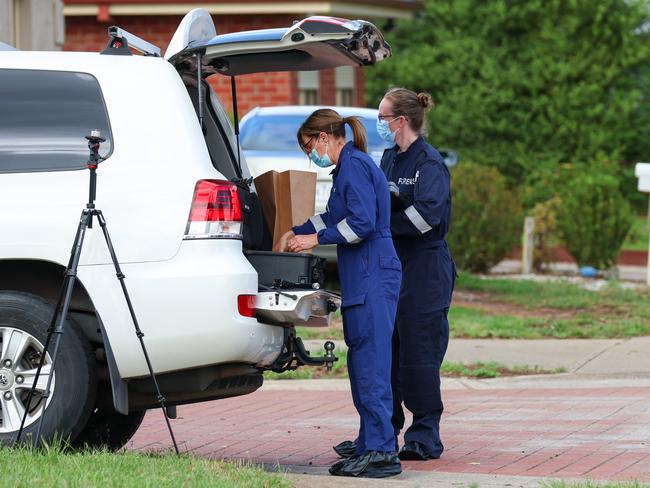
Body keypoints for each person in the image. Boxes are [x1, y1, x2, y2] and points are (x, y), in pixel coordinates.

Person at [276, 108, 403, 478]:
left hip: (373, 272)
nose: (309, 156)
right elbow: (332, 216)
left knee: (372, 365)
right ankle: (370, 443)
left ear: (324, 138)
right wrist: (295, 230)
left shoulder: (354, 167)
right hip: (365, 274)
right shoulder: (348, 168)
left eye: (308, 147)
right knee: (363, 362)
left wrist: (312, 240)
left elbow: (361, 223)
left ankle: (381, 452)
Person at [333, 89, 456, 461]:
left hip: (425, 272)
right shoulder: (388, 158)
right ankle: (378, 432)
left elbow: (426, 220)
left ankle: (424, 436)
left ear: (401, 121)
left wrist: (380, 224)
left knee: (418, 354)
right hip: (391, 269)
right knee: (382, 353)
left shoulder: (429, 164)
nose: (378, 124)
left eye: (383, 117)